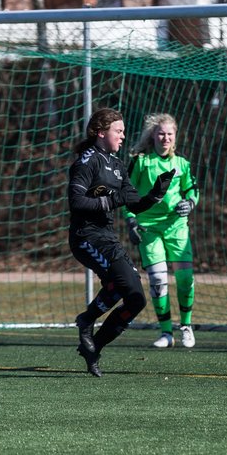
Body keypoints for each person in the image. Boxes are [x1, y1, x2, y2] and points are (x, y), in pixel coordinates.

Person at [68, 107, 175, 377]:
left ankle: (94, 348)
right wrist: (110, 200)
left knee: (136, 299)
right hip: (85, 236)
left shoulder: (116, 164)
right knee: (124, 284)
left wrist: (155, 194)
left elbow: (135, 204)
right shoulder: (87, 161)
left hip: (106, 237)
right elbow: (76, 201)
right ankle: (87, 320)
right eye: (119, 130)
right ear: (101, 132)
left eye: (124, 131)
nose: (123, 136)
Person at [125, 113, 200, 349]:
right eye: (161, 133)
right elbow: (127, 194)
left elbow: (192, 189)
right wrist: (131, 220)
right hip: (149, 227)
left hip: (176, 227)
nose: (165, 138)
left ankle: (186, 327)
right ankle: (166, 332)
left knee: (185, 279)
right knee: (158, 279)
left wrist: (190, 202)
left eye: (169, 134)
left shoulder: (182, 164)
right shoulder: (141, 161)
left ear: (175, 136)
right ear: (153, 135)